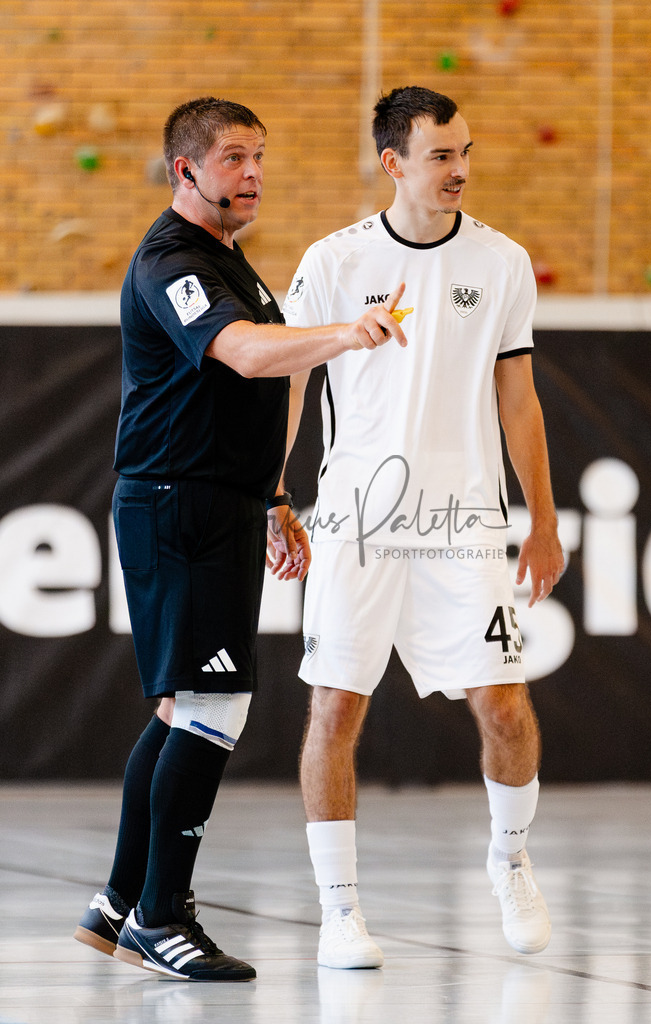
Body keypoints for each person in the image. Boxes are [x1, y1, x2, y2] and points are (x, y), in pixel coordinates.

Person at [73, 96, 406, 982]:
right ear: (185, 170)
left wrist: (271, 496)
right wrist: (351, 333)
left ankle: (118, 901)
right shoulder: (171, 262)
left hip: (217, 503)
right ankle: (161, 916)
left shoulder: (228, 260)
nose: (252, 173)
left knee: (187, 707)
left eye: (259, 155)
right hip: (177, 505)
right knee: (213, 709)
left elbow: (249, 395)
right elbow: (252, 356)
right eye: (231, 158)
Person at [281, 86, 565, 969]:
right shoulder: (332, 260)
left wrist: (543, 522)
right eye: (440, 155)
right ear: (393, 162)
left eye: (465, 152)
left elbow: (517, 401)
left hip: (463, 520)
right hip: (358, 520)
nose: (459, 170)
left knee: (506, 707)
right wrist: (270, 494)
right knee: (334, 707)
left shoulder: (503, 260)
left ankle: (510, 860)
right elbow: (288, 384)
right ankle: (338, 911)